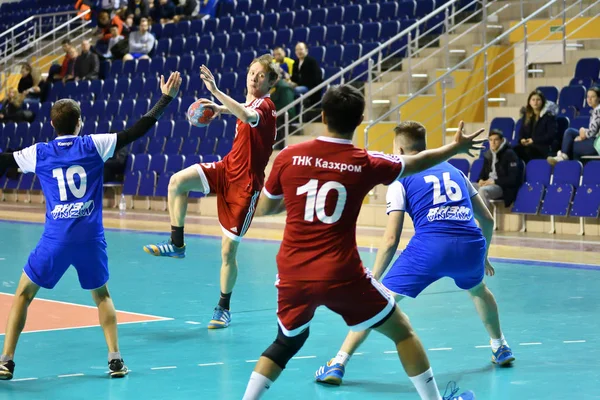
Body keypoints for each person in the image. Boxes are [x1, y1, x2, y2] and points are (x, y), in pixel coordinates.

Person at [241, 85, 484, 400]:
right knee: (403, 331)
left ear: (323, 115)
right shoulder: (365, 161)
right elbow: (417, 162)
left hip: (293, 272)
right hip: (342, 273)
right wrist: (454, 148)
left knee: (285, 343)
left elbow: (266, 208)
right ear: (360, 120)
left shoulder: (288, 156)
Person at [0, 72, 182, 381]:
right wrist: (165, 99)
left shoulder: (40, 152)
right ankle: (115, 359)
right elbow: (137, 130)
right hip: (90, 240)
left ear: (52, 125)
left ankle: (6, 361)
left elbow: (3, 161)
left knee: (22, 295)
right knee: (102, 296)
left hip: (54, 240)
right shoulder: (94, 144)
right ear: (79, 122)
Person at [314, 120, 515, 388]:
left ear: (398, 148)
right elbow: (487, 220)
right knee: (479, 290)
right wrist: (483, 255)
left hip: (430, 249)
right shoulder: (457, 172)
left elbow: (391, 238)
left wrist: (372, 278)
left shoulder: (400, 177)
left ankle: (338, 362)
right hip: (470, 246)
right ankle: (500, 346)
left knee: (377, 302)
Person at [143, 55, 279, 330]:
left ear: (270, 83)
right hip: (226, 168)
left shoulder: (266, 106)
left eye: (260, 75)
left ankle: (223, 308)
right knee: (177, 182)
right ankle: (177, 244)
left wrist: (216, 92)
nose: (253, 77)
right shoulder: (251, 103)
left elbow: (247, 114)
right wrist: (219, 108)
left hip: (245, 186)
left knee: (228, 251)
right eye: (251, 72)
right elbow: (241, 109)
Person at [548, 86, 600, 164]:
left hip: (597, 142)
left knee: (572, 145)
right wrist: (583, 132)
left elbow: (592, 133)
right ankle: (564, 157)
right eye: (588, 97)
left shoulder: (598, 110)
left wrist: (582, 135)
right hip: (593, 139)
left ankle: (565, 162)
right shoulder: (595, 110)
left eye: (593, 97)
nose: (589, 99)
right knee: (570, 132)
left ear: (599, 98)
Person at [475, 129, 522, 210]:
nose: (492, 143)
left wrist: (494, 182)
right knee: (467, 188)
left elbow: (513, 179)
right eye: (490, 140)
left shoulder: (510, 154)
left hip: (502, 187)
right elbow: (483, 173)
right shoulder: (488, 154)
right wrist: (480, 180)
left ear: (501, 140)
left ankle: (485, 221)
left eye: (496, 140)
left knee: (483, 191)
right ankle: (467, 220)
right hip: (489, 184)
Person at [513, 89, 557, 163]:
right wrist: (522, 140)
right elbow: (521, 132)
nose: (535, 102)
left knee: (525, 151)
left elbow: (550, 136)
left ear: (542, 101)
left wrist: (534, 140)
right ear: (529, 102)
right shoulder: (526, 116)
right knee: (512, 151)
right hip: (529, 146)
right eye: (533, 100)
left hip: (542, 148)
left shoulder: (549, 117)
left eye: (538, 100)